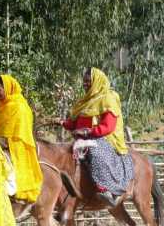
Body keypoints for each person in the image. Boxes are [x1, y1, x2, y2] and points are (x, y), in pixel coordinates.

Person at [57, 67, 134, 207]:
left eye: (88, 81)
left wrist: (86, 132)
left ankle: (109, 191)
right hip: (86, 138)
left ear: (97, 81)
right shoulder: (85, 101)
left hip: (104, 139)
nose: (85, 84)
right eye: (84, 81)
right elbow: (74, 123)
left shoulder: (108, 98)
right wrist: (62, 123)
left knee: (95, 152)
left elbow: (108, 127)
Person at [0, 74, 43, 203]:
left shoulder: (19, 106)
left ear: (7, 88)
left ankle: (10, 189)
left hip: (15, 143)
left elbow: (18, 132)